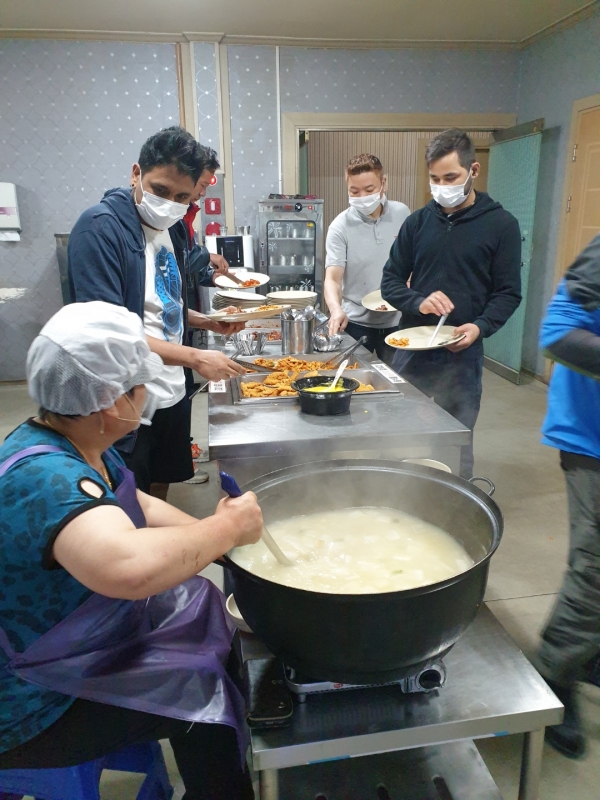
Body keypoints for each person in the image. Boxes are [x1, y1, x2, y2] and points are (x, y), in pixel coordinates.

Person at [0, 301, 262, 799]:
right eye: (140, 386)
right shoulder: (46, 479)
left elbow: (134, 501)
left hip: (80, 643)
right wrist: (224, 532)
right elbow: (126, 568)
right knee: (200, 702)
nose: (145, 398)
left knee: (206, 614)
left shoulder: (75, 441)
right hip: (31, 700)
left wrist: (223, 545)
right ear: (110, 404)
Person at [68, 126, 245, 498]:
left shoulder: (175, 230)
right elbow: (109, 332)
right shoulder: (101, 229)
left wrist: (207, 321)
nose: (170, 203)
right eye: (160, 190)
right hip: (126, 398)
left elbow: (164, 306)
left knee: (164, 476)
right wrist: (195, 356)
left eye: (182, 195)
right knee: (129, 493)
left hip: (170, 388)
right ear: (136, 174)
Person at [381, 129, 522, 478]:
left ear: (473, 171)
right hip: (412, 347)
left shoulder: (501, 225)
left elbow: (508, 292)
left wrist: (481, 326)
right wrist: (419, 301)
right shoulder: (417, 223)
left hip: (462, 354)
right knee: (398, 433)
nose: (441, 186)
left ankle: (455, 507)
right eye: (434, 178)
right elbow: (390, 283)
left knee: (456, 439)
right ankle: (398, 498)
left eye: (450, 177)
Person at [535, 232, 600, 759]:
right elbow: (558, 334)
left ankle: (590, 654)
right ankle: (556, 672)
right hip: (592, 437)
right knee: (596, 567)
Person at [324, 154, 410, 364]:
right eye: (354, 191)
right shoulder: (340, 226)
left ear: (384, 183)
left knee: (398, 384)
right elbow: (333, 278)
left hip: (397, 319)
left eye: (369, 190)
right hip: (355, 321)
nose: (362, 196)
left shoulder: (403, 213)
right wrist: (336, 309)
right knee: (352, 381)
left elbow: (413, 260)